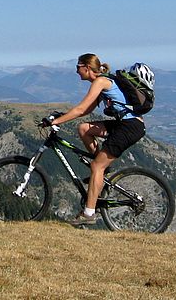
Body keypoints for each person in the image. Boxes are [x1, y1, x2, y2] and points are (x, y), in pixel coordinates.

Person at [46, 53, 146, 226]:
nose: (76, 71)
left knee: (96, 166)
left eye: (78, 67)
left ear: (86, 67)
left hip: (129, 127)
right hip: (124, 124)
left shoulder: (100, 82)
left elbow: (81, 108)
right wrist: (62, 116)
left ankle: (89, 213)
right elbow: (85, 112)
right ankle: (101, 172)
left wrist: (55, 122)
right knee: (84, 128)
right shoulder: (100, 82)